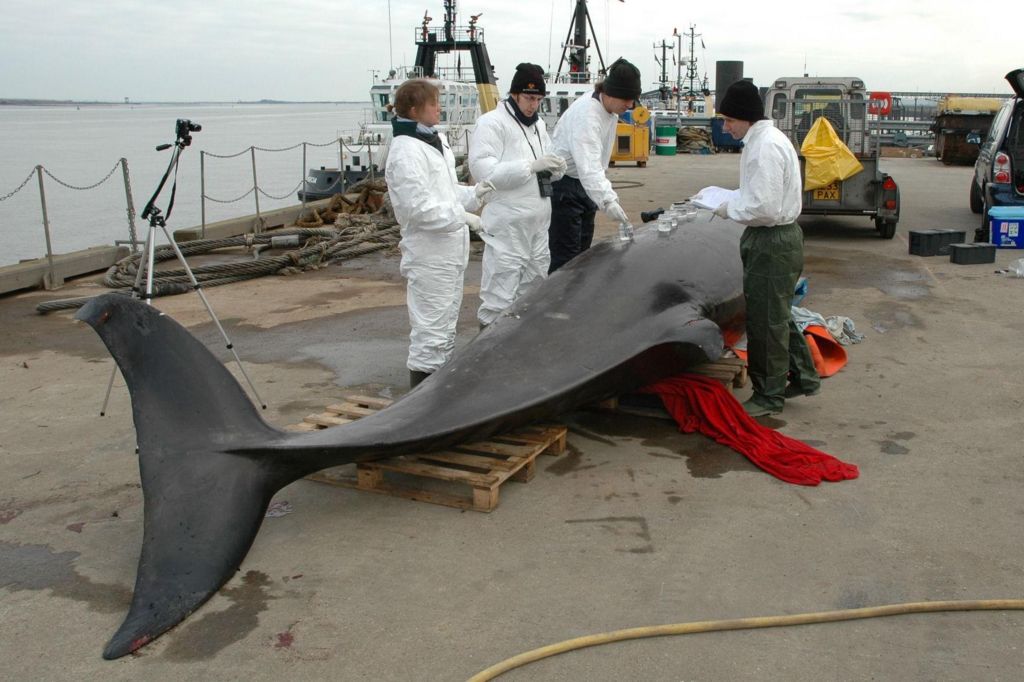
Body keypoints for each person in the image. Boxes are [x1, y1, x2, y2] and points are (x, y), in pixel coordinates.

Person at [711, 79, 821, 417]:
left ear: (746, 118)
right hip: (772, 238)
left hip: (772, 239)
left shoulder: (764, 148)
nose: (725, 127)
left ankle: (768, 395)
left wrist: (726, 207)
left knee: (765, 322)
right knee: (777, 315)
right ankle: (804, 375)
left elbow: (766, 208)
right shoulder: (762, 141)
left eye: (729, 120)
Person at [385, 79, 495, 388]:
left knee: (444, 327)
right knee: (430, 332)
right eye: (434, 104)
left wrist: (476, 194)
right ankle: (421, 399)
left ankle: (436, 394)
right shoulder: (406, 152)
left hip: (448, 252)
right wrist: (463, 217)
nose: (439, 108)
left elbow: (444, 194)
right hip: (429, 254)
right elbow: (417, 209)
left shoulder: (435, 142)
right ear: (414, 109)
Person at [469, 63, 566, 327]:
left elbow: (546, 163)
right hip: (508, 226)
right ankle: (488, 348)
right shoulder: (492, 124)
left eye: (538, 99)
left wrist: (556, 169)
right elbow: (483, 172)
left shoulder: (538, 127)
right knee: (500, 289)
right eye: (528, 98)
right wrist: (530, 167)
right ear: (514, 95)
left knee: (534, 287)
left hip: (537, 224)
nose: (533, 105)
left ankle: (521, 342)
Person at [547, 57, 641, 273]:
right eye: (627, 99)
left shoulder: (610, 110)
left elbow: (595, 165)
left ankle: (576, 301)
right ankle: (559, 302)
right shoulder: (587, 115)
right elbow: (588, 164)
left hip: (584, 186)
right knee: (566, 260)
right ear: (610, 92)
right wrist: (608, 201)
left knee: (582, 256)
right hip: (565, 186)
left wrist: (600, 195)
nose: (630, 105)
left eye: (633, 99)